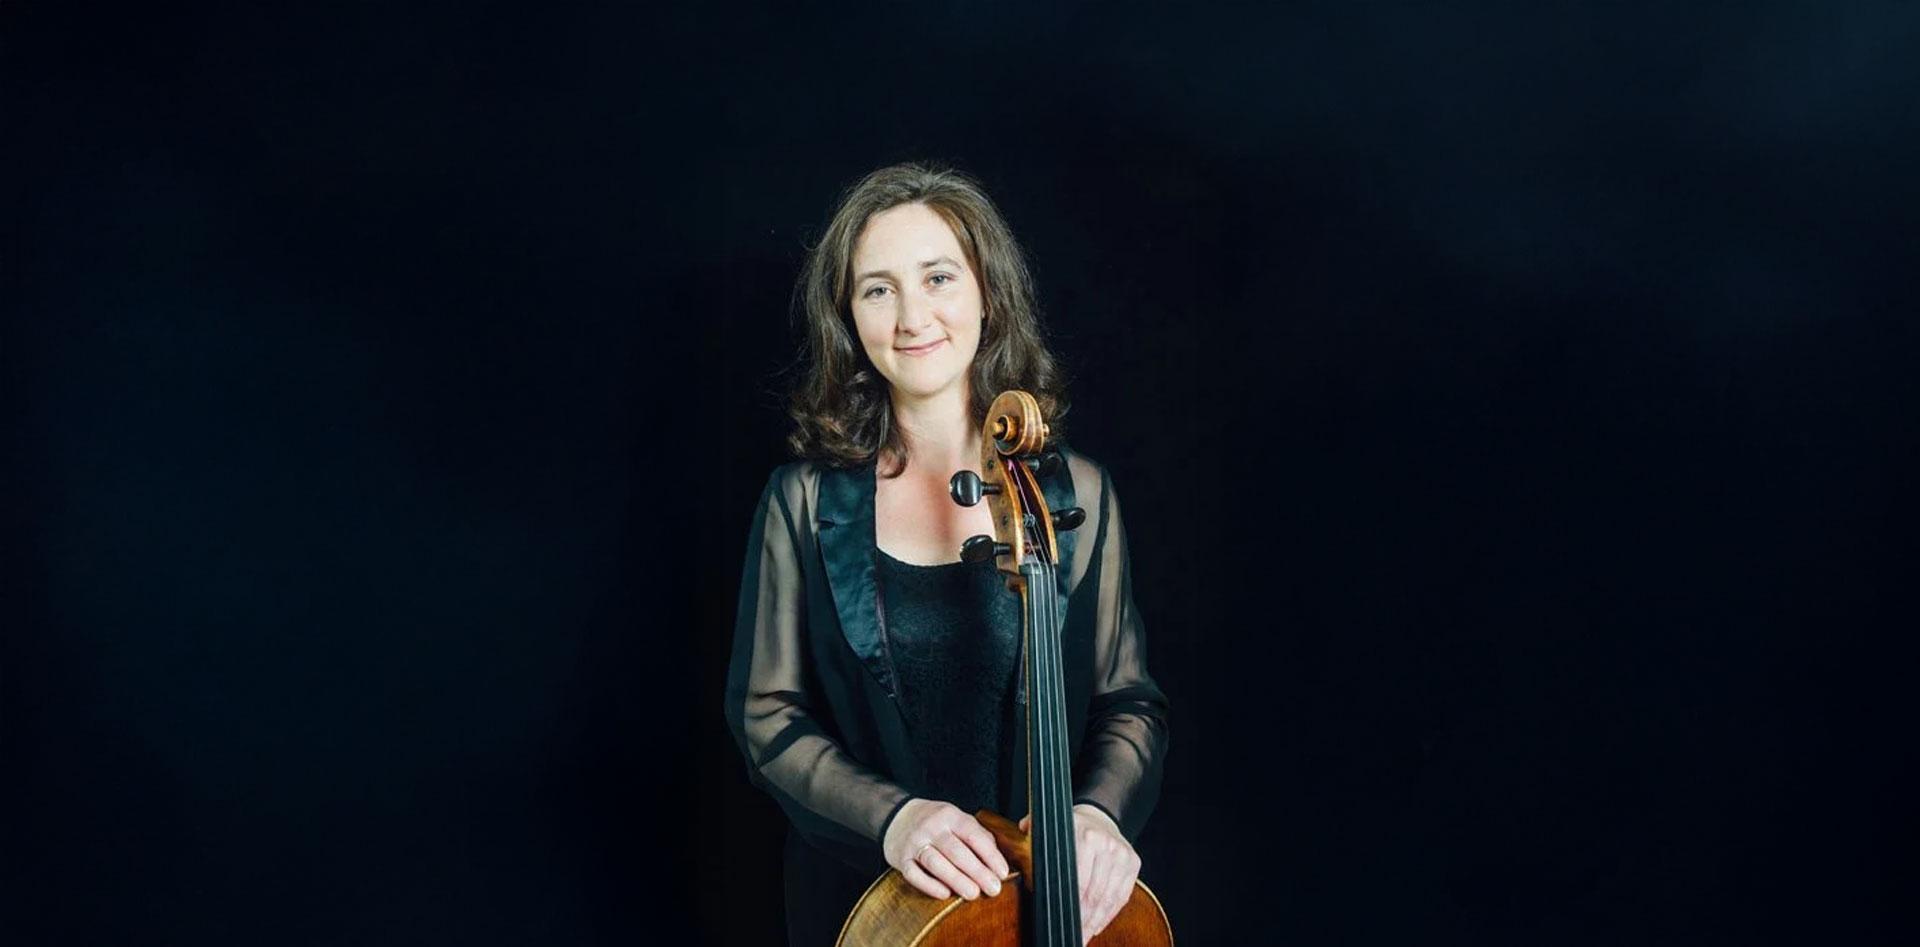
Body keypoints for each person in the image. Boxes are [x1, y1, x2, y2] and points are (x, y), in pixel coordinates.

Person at [723, 161, 1170, 946]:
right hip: (869, 912)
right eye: (878, 289)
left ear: (987, 291)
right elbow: (767, 715)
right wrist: (893, 818)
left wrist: (1099, 814)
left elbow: (1127, 701)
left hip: (1045, 902)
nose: (912, 316)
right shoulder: (803, 502)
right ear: (849, 317)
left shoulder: (1078, 494)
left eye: (937, 277)